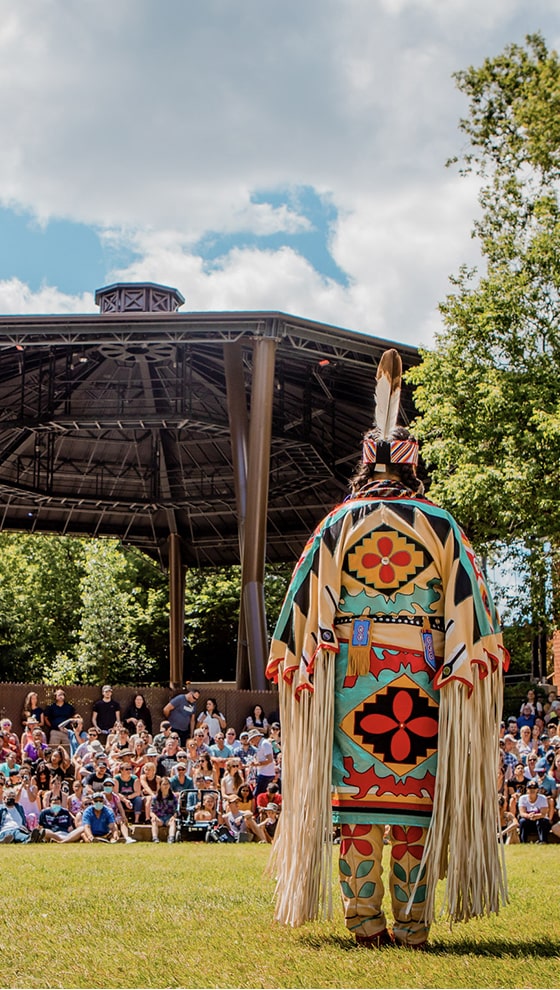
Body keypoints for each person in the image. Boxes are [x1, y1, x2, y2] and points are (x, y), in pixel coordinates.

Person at [266, 348, 508, 945]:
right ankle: (413, 924)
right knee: (411, 807)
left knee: (357, 802)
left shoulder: (337, 525)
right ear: (412, 467)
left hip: (354, 677)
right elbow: (474, 617)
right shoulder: (442, 526)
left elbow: (299, 614)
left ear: (365, 464)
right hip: (425, 678)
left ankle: (364, 920)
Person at [247, 729, 276, 797]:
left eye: (252, 739)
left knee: (258, 795)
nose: (251, 742)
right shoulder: (261, 744)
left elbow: (269, 760)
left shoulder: (265, 744)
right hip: (263, 773)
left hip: (265, 774)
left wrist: (256, 764)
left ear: (256, 737)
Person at [150, 778, 179, 843]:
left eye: (167, 784)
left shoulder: (173, 797)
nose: (166, 786)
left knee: (173, 822)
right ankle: (155, 838)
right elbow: (151, 810)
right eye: (164, 784)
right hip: (159, 818)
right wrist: (154, 816)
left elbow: (176, 809)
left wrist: (174, 816)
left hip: (169, 817)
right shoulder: (155, 798)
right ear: (160, 786)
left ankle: (171, 837)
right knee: (153, 821)